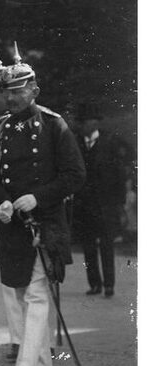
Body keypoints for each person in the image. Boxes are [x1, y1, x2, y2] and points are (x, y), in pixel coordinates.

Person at [0, 43, 85, 366]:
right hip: (13, 225)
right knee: (21, 290)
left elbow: (74, 174)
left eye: (19, 90)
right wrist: (2, 202)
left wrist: (37, 197)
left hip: (47, 223)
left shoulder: (54, 126)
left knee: (37, 292)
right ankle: (43, 364)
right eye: (8, 91)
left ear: (34, 90)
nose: (12, 97)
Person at [73, 102, 125, 297]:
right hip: (84, 205)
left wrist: (119, 203)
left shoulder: (110, 143)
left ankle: (109, 284)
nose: (86, 126)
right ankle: (94, 283)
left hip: (106, 204)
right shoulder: (76, 142)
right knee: (88, 246)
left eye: (90, 122)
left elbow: (119, 175)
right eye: (83, 122)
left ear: (96, 123)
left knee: (106, 245)